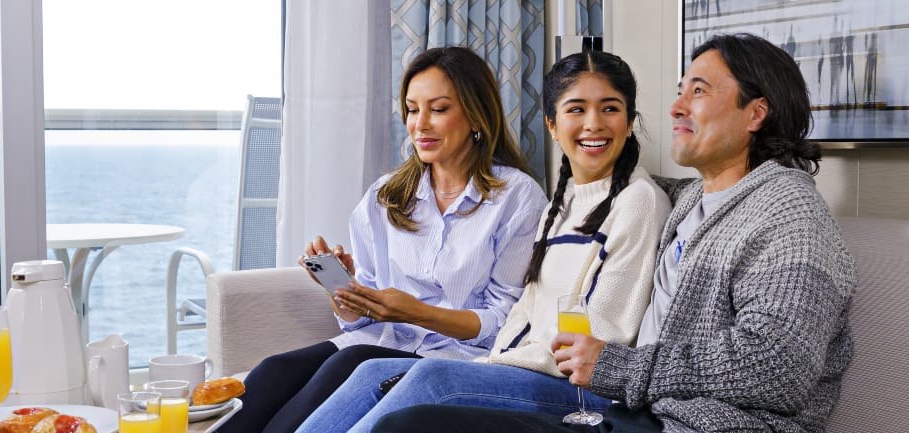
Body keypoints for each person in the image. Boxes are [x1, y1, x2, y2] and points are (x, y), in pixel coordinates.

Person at [371, 32, 857, 433]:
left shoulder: (790, 215)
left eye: (698, 92)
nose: (676, 107)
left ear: (756, 113)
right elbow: (606, 189)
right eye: (680, 90)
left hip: (699, 424)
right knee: (404, 405)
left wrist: (616, 367)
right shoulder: (697, 200)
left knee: (414, 418)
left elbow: (779, 368)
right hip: (641, 413)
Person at [296, 50, 672, 433]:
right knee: (369, 370)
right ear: (552, 125)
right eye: (577, 109)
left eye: (609, 109)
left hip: (580, 387)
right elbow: (525, 310)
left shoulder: (639, 201)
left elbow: (602, 333)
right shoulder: (564, 202)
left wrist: (496, 364)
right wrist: (494, 361)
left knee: (432, 379)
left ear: (629, 122)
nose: (593, 124)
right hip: (522, 367)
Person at [215, 46, 548, 433]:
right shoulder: (386, 196)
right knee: (275, 370)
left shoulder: (517, 198)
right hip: (379, 341)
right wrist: (343, 290)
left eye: (438, 109)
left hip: (456, 358)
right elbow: (358, 322)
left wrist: (415, 312)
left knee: (348, 364)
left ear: (477, 115)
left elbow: (506, 322)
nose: (420, 124)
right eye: (412, 109)